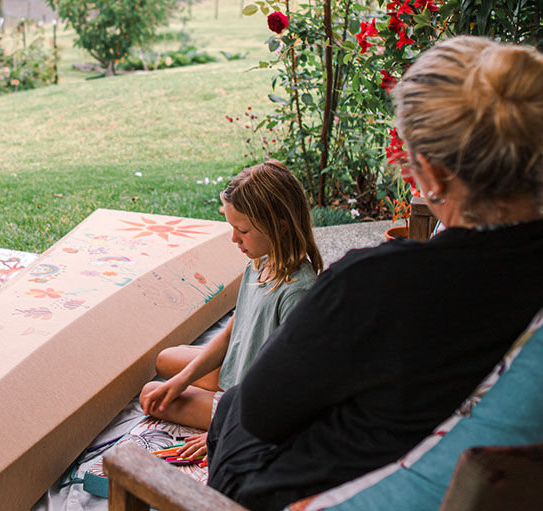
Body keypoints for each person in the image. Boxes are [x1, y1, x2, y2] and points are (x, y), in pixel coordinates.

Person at [207, 36, 543, 511]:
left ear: (430, 174)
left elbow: (261, 412)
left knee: (235, 406)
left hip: (310, 490)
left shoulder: (377, 285)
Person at [139, 160, 323, 459]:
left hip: (252, 404)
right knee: (165, 361)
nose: (234, 239)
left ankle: (218, 406)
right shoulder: (260, 260)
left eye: (243, 230)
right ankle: (205, 389)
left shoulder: (298, 290)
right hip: (236, 369)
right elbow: (233, 330)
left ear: (280, 226)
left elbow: (292, 390)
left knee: (151, 395)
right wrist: (181, 380)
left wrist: (223, 432)